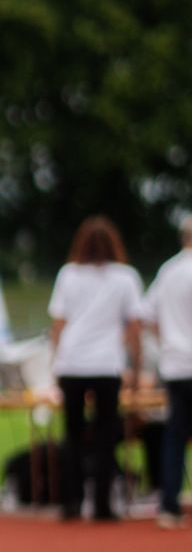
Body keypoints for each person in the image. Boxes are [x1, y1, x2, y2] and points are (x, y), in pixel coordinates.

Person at [48, 216, 143, 522]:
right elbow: (134, 328)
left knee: (72, 434)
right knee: (106, 434)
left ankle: (71, 500)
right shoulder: (125, 277)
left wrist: (54, 364)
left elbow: (58, 325)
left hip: (72, 361)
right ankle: (102, 503)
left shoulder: (68, 274)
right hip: (106, 363)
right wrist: (136, 369)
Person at [141, 215, 192, 528]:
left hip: (176, 364)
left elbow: (148, 315)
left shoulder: (169, 270)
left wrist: (167, 342)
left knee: (175, 435)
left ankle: (169, 505)